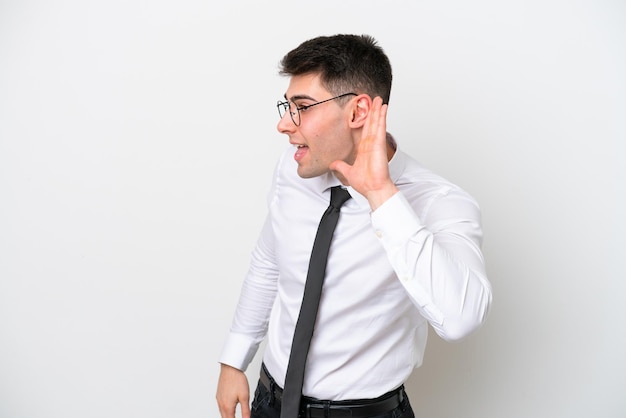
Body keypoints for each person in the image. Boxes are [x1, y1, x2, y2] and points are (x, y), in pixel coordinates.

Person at [216, 34, 492, 418]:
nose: (283, 124)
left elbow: (461, 318)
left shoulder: (439, 201)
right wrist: (234, 360)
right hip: (269, 401)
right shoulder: (293, 169)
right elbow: (269, 261)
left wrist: (380, 193)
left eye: (303, 107)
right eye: (287, 106)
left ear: (358, 112)